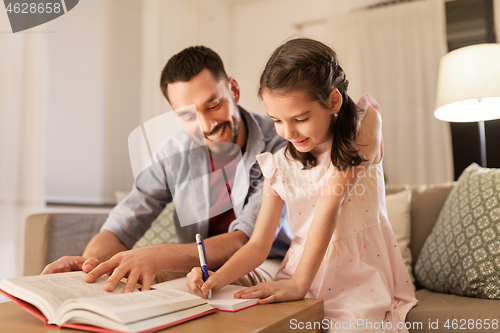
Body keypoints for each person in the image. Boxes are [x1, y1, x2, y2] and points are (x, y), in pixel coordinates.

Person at [186, 38, 417, 332]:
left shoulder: (364, 124)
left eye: (300, 118)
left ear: (333, 101)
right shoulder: (280, 164)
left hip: (357, 274)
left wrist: (299, 285)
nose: (288, 132)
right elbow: (258, 244)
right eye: (277, 121)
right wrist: (217, 278)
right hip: (298, 270)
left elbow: (330, 203)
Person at [42, 46, 292, 293]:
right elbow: (126, 221)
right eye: (188, 116)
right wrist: (90, 265)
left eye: (213, 104)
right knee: (128, 282)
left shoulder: (279, 145)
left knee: (220, 286)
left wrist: (158, 254)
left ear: (234, 91)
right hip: (196, 263)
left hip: (268, 259)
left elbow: (245, 240)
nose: (207, 125)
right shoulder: (173, 153)